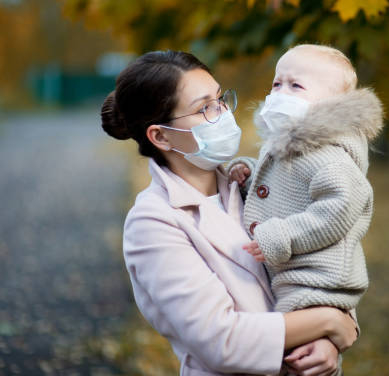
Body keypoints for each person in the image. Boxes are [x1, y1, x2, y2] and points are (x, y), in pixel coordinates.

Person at [100, 50, 358, 376]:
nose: (222, 113)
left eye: (220, 100)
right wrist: (329, 322)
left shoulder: (250, 183)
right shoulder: (153, 223)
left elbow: (327, 260)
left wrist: (330, 339)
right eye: (204, 108)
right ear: (161, 136)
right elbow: (223, 341)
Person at [228, 44, 383, 373]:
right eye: (276, 84)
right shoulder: (293, 144)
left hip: (315, 282)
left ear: (333, 105)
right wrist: (249, 175)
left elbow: (339, 207)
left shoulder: (329, 154)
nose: (281, 92)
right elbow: (284, 188)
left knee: (296, 358)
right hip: (296, 278)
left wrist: (283, 235)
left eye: (295, 85)